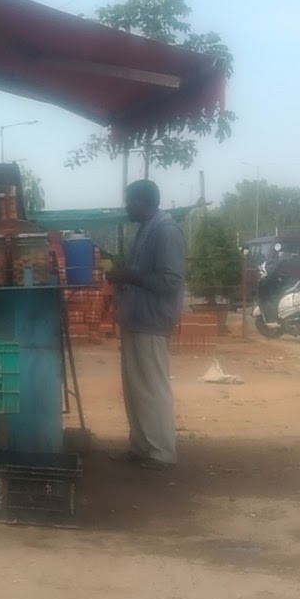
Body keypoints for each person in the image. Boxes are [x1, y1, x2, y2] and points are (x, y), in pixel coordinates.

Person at [105, 179, 185, 470]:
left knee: (151, 387)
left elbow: (170, 281)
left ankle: (162, 452)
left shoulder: (165, 231)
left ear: (141, 202)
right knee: (136, 389)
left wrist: (129, 276)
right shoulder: (148, 228)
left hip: (152, 319)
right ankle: (141, 446)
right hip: (137, 319)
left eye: (129, 201)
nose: (126, 207)